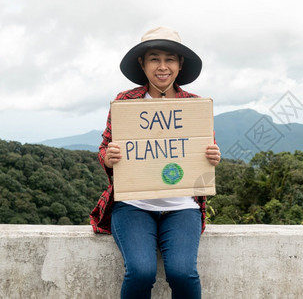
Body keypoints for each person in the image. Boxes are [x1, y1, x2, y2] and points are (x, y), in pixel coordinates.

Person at [89, 26, 220, 299]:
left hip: (182, 207)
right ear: (143, 63)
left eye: (170, 59)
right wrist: (109, 158)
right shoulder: (126, 102)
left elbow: (202, 152)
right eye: (154, 58)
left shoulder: (194, 106)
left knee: (183, 273)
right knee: (140, 271)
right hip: (133, 206)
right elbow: (104, 149)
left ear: (180, 64)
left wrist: (212, 157)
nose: (163, 66)